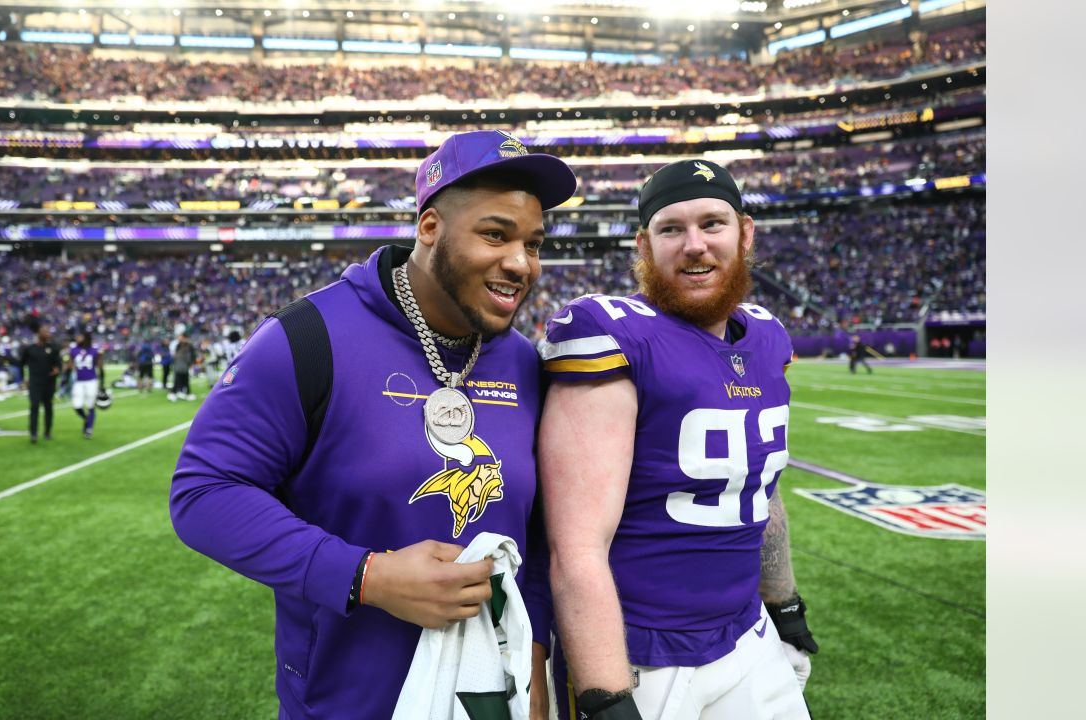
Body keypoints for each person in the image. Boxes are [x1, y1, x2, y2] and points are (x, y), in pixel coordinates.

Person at [170, 130, 578, 719]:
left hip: (495, 699)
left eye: (534, 244)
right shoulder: (307, 337)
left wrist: (535, 658)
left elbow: (540, 536)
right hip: (349, 702)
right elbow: (203, 493)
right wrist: (370, 577)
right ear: (430, 227)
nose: (520, 263)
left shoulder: (524, 362)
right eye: (495, 234)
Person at [538, 160, 817, 719]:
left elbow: (761, 490)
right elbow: (576, 546)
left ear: (745, 231)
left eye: (712, 224)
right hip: (645, 654)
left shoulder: (766, 335)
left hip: (746, 633)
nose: (695, 245)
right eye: (672, 229)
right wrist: (605, 693)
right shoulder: (608, 331)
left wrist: (783, 601)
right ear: (644, 244)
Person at [20, 325, 63, 443]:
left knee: (48, 407)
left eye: (48, 332)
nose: (47, 334)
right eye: (45, 332)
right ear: (39, 334)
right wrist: (24, 378)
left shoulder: (53, 348)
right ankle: (33, 433)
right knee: (34, 406)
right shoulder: (30, 349)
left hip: (49, 382)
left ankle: (47, 432)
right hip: (35, 382)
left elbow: (58, 364)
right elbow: (22, 363)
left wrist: (57, 370)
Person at [69, 332, 103, 439]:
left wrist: (101, 356)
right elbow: (70, 365)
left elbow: (100, 366)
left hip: (91, 381)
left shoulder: (94, 350)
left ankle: (89, 429)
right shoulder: (73, 350)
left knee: (90, 405)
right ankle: (86, 419)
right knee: (76, 405)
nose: (77, 337)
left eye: (80, 336)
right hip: (79, 381)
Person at [168, 333, 197, 401]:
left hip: (185, 365)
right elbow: (175, 355)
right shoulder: (178, 345)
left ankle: (184, 393)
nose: (179, 339)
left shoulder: (189, 346)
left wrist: (192, 363)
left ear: (185, 338)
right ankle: (175, 393)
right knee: (178, 379)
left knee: (185, 379)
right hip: (178, 365)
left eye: (181, 337)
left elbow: (193, 355)